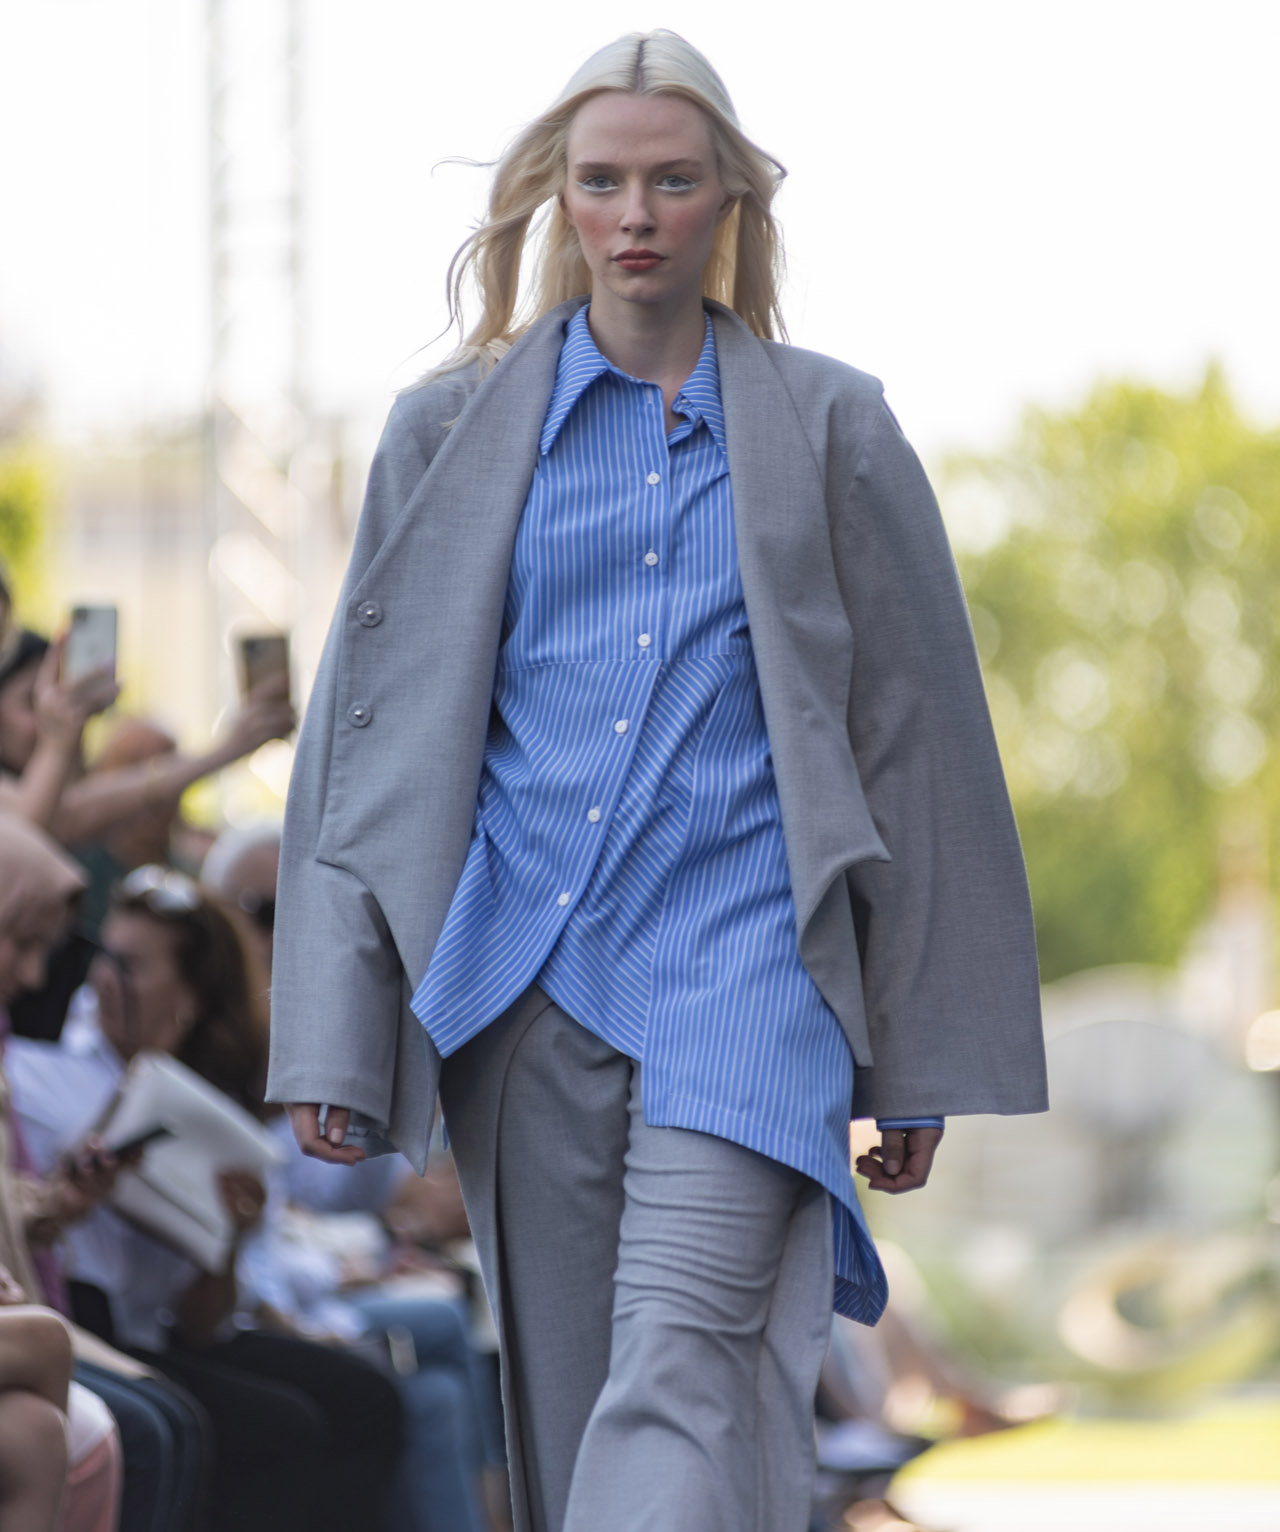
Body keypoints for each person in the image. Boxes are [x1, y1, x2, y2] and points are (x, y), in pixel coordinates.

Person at [267, 30, 1047, 1532]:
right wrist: (334, 1033)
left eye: (673, 181)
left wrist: (918, 1054)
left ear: (728, 199)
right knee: (585, 1415)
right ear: (557, 199)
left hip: (749, 969)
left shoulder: (833, 426)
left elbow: (921, 748)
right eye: (603, 181)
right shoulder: (443, 434)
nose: (635, 215)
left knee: (683, 1364)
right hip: (522, 986)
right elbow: (359, 750)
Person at [7, 867, 403, 1532]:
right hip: (82, 1314)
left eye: (131, 967)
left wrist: (230, 1239)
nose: (105, 981)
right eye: (105, 959)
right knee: (257, 1426)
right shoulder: (44, 1075)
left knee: (364, 1397)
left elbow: (202, 1320)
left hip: (151, 1327)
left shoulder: (214, 1111)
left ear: (187, 997)